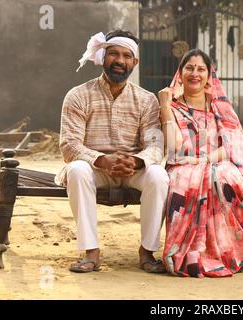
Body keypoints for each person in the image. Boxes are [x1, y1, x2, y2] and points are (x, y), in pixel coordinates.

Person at [56, 30, 168, 273]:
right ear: (102, 56)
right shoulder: (78, 95)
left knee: (159, 176)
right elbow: (69, 145)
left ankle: (147, 252)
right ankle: (91, 252)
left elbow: (156, 145)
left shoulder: (147, 100)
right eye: (114, 54)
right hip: (95, 169)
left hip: (131, 169)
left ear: (134, 63)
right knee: (76, 169)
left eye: (127, 56)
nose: (120, 60)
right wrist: (102, 160)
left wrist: (137, 162)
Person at [158, 49, 243, 278]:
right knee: (185, 182)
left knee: (224, 177)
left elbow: (232, 145)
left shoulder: (219, 107)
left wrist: (203, 160)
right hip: (182, 168)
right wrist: (164, 106)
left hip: (215, 162)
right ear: (179, 74)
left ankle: (227, 253)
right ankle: (192, 254)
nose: (195, 73)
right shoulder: (172, 107)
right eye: (189, 68)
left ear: (209, 75)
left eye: (201, 69)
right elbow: (174, 145)